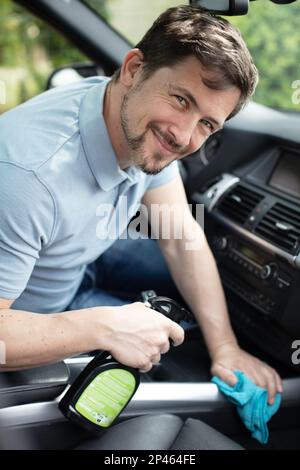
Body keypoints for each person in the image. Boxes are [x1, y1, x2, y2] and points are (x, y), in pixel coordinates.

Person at [0, 5, 282, 404]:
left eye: (207, 123)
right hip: (36, 313)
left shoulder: (134, 117)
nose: (185, 137)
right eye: (182, 100)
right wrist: (103, 327)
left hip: (79, 259)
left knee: (200, 316)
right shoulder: (26, 177)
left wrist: (226, 348)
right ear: (134, 68)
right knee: (176, 358)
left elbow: (179, 234)